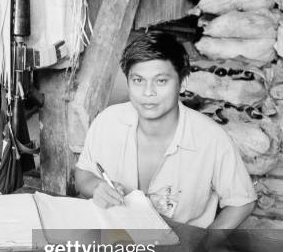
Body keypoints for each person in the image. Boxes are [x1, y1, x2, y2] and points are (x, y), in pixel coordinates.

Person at [75, 29, 257, 229]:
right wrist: (97, 188)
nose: (148, 92)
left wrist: (202, 245)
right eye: (138, 80)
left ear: (183, 82)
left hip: (177, 250)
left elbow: (242, 202)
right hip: (116, 243)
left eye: (161, 81)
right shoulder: (107, 122)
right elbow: (83, 175)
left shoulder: (211, 139)